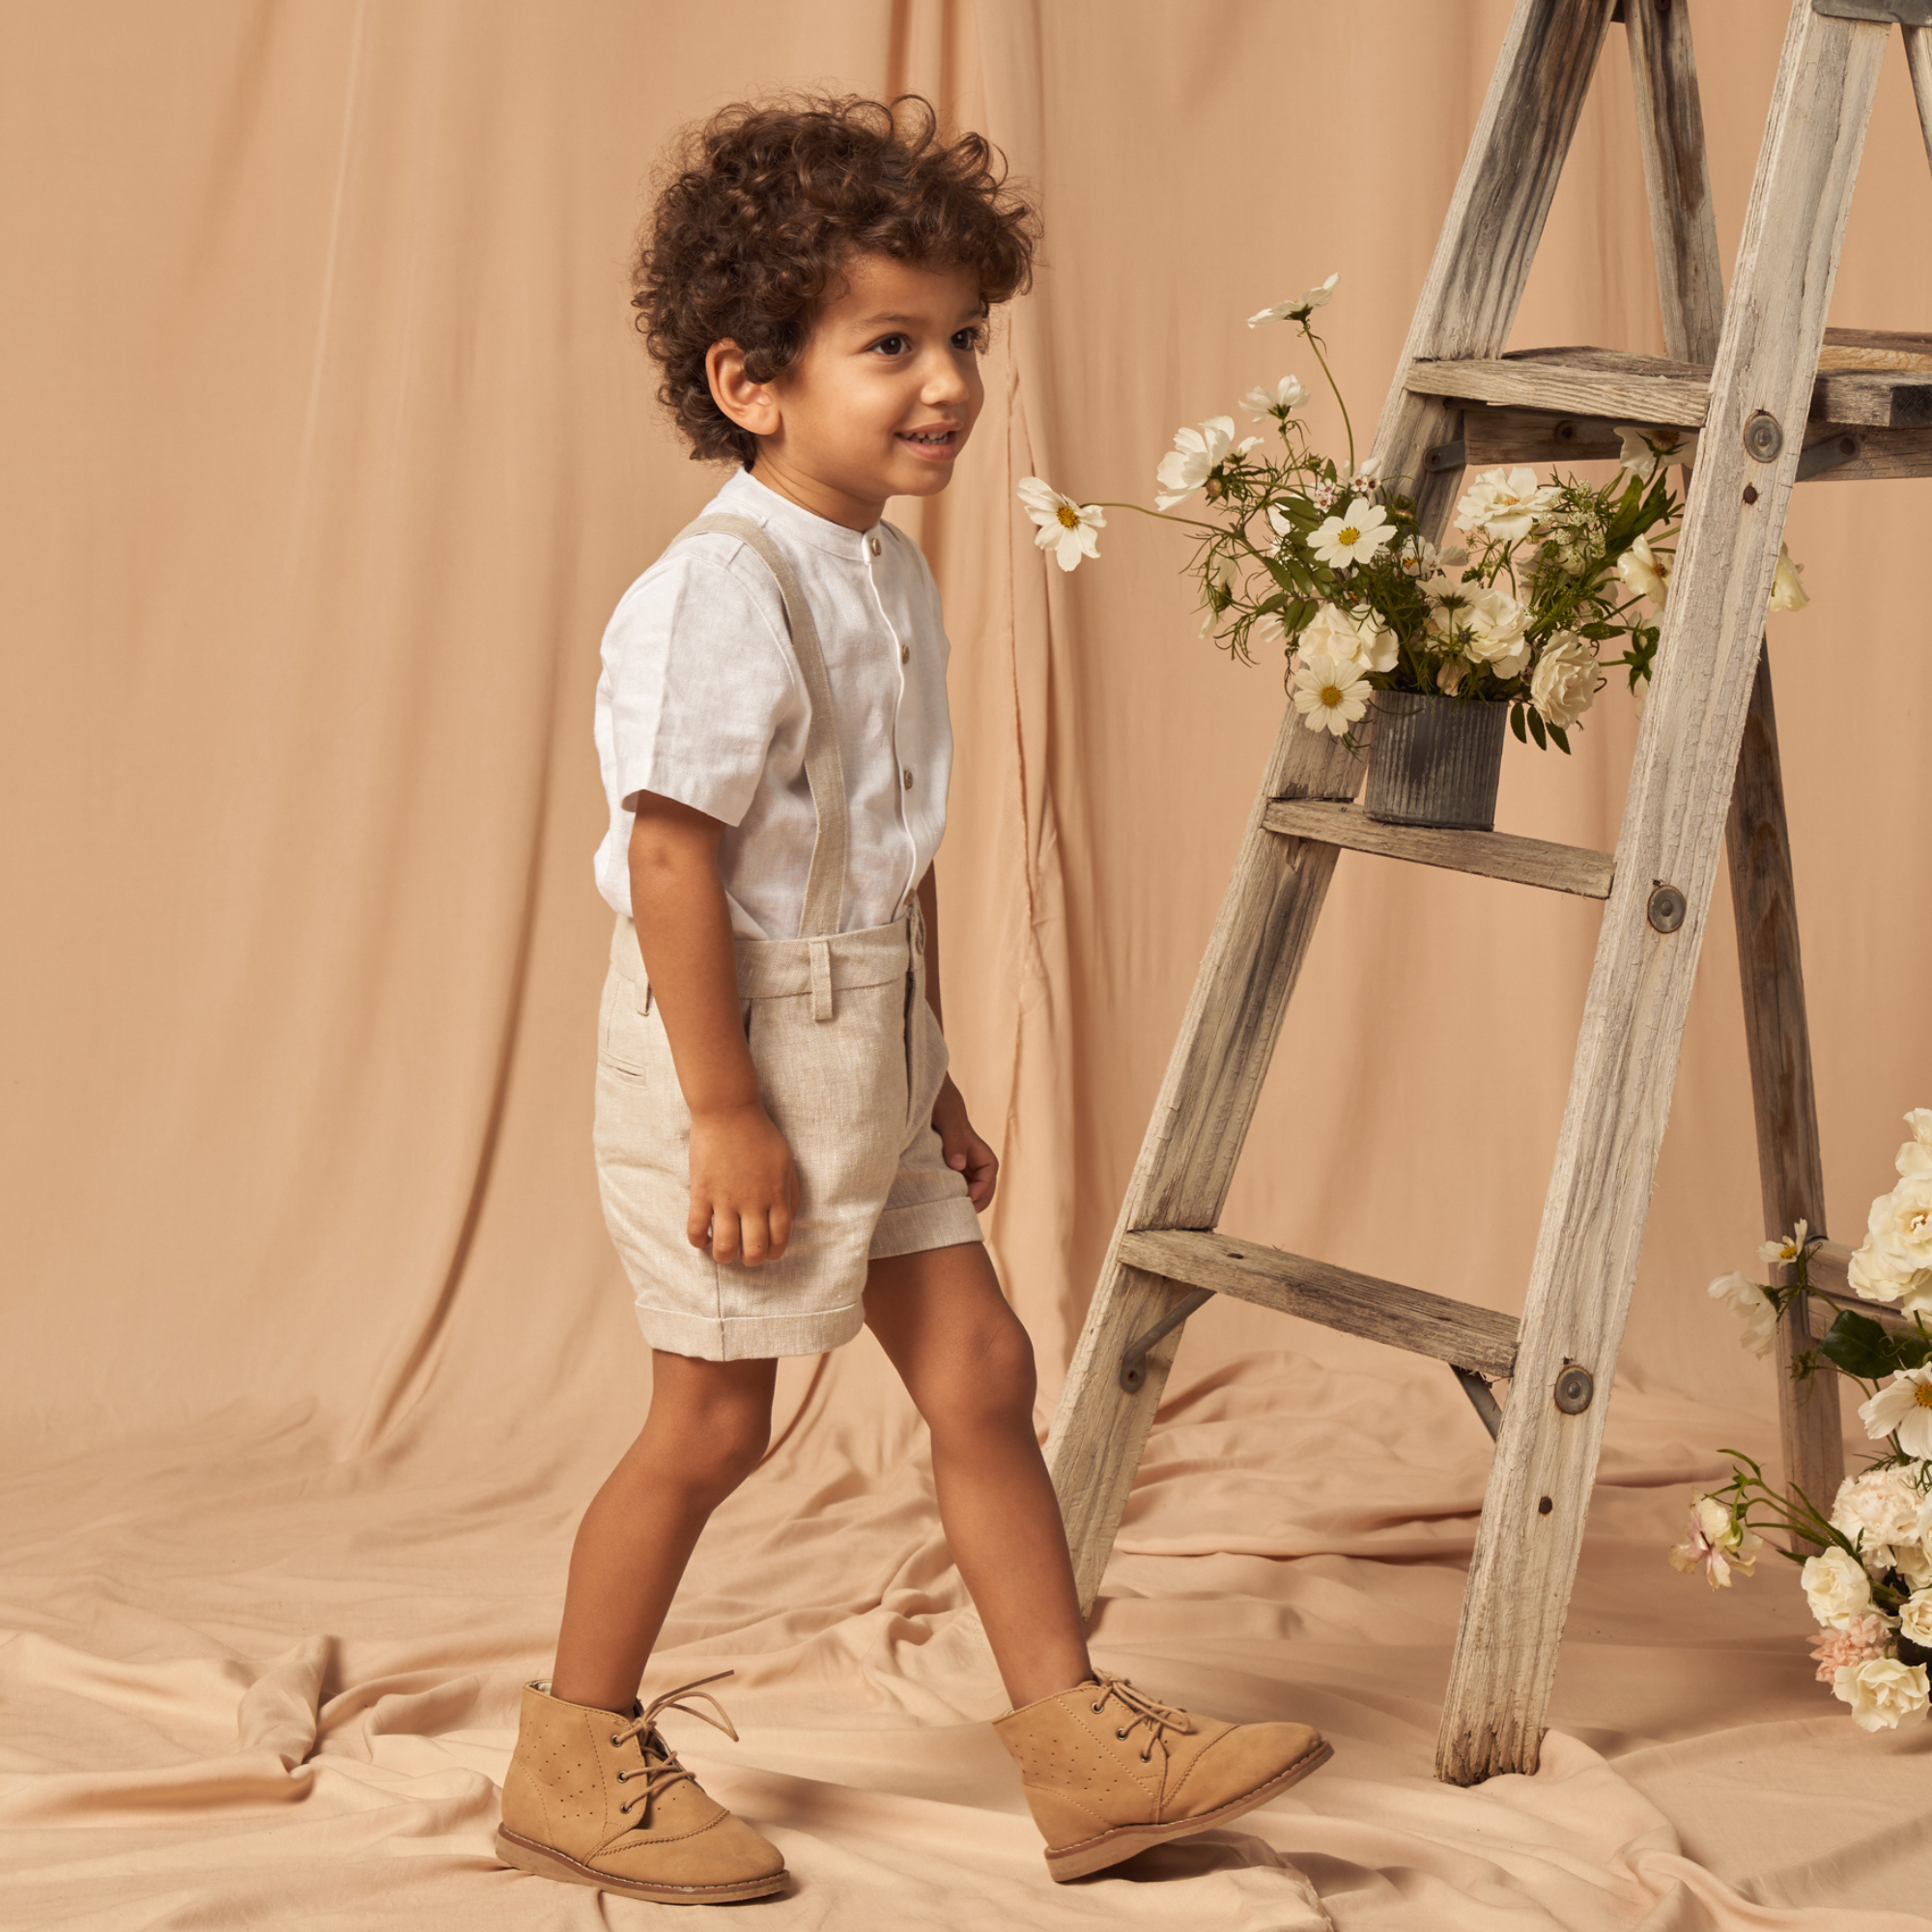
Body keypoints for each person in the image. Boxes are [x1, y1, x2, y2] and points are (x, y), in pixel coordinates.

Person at [495, 95, 1330, 1903]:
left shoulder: (882, 566)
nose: (945, 381)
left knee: (982, 1364)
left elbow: (884, 863)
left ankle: (1079, 1748)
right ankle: (571, 1749)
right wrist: (730, 1106)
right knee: (715, 1419)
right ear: (750, 378)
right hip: (729, 1045)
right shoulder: (720, 590)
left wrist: (923, 1072)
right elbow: (671, 867)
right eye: (891, 344)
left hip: (861, 1035)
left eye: (961, 338)